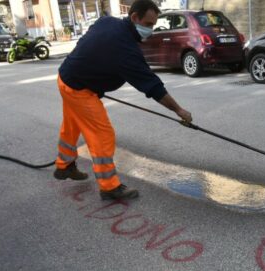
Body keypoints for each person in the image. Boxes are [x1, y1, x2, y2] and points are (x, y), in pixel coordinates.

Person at [54, 0, 192, 200]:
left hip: (66, 78)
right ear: (134, 17)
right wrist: (178, 110)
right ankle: (109, 186)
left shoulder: (108, 22)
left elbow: (88, 40)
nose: (151, 31)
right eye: (148, 24)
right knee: (102, 135)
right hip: (78, 89)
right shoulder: (125, 48)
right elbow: (153, 86)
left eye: (153, 25)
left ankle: (64, 165)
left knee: (72, 126)